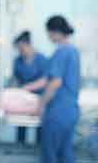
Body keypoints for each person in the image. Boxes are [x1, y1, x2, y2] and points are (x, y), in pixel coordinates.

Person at [39, 15, 81, 163]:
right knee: (65, 154)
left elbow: (55, 82)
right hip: (71, 111)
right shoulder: (73, 51)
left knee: (49, 155)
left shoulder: (61, 52)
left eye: (48, 33)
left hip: (58, 112)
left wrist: (41, 104)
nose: (48, 36)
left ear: (55, 31)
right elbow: (50, 79)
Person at [12, 31, 48, 143]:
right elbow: (16, 80)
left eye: (22, 49)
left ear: (29, 45)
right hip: (23, 101)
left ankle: (38, 150)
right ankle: (20, 151)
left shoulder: (42, 59)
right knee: (20, 126)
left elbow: (45, 80)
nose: (20, 52)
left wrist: (27, 88)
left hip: (39, 100)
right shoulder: (18, 61)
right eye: (18, 49)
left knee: (40, 130)